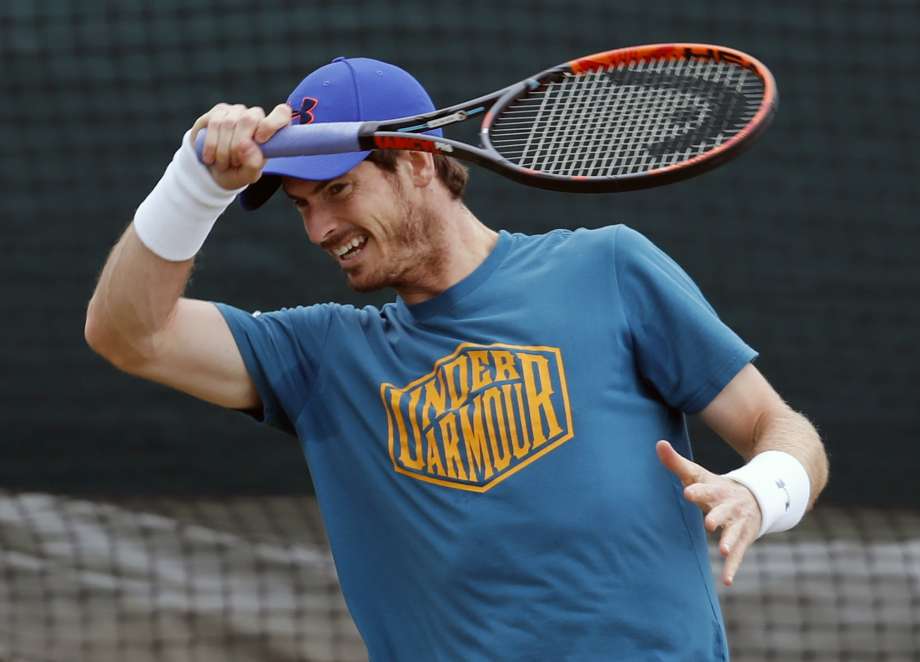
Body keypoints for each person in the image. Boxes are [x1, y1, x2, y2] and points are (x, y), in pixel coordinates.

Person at [85, 56, 829, 661]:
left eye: (338, 190)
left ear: (416, 161)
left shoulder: (607, 268)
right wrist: (195, 183)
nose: (319, 227)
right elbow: (129, 333)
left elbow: (779, 424)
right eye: (302, 204)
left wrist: (760, 493)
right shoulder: (323, 357)